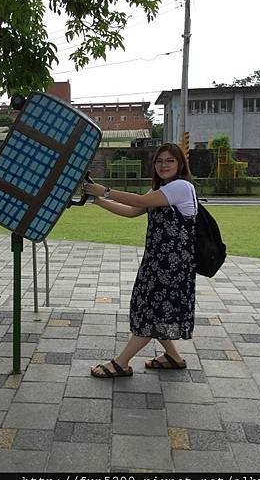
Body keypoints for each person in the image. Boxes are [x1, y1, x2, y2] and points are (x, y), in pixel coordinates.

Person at [84, 143, 198, 378]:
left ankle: (121, 363)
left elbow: (138, 202)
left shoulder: (181, 187)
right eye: (159, 161)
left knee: (152, 312)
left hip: (172, 267)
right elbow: (131, 211)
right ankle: (173, 357)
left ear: (180, 164)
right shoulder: (162, 190)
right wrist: (98, 200)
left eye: (170, 161)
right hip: (158, 263)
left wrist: (103, 191)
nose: (163, 165)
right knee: (156, 309)